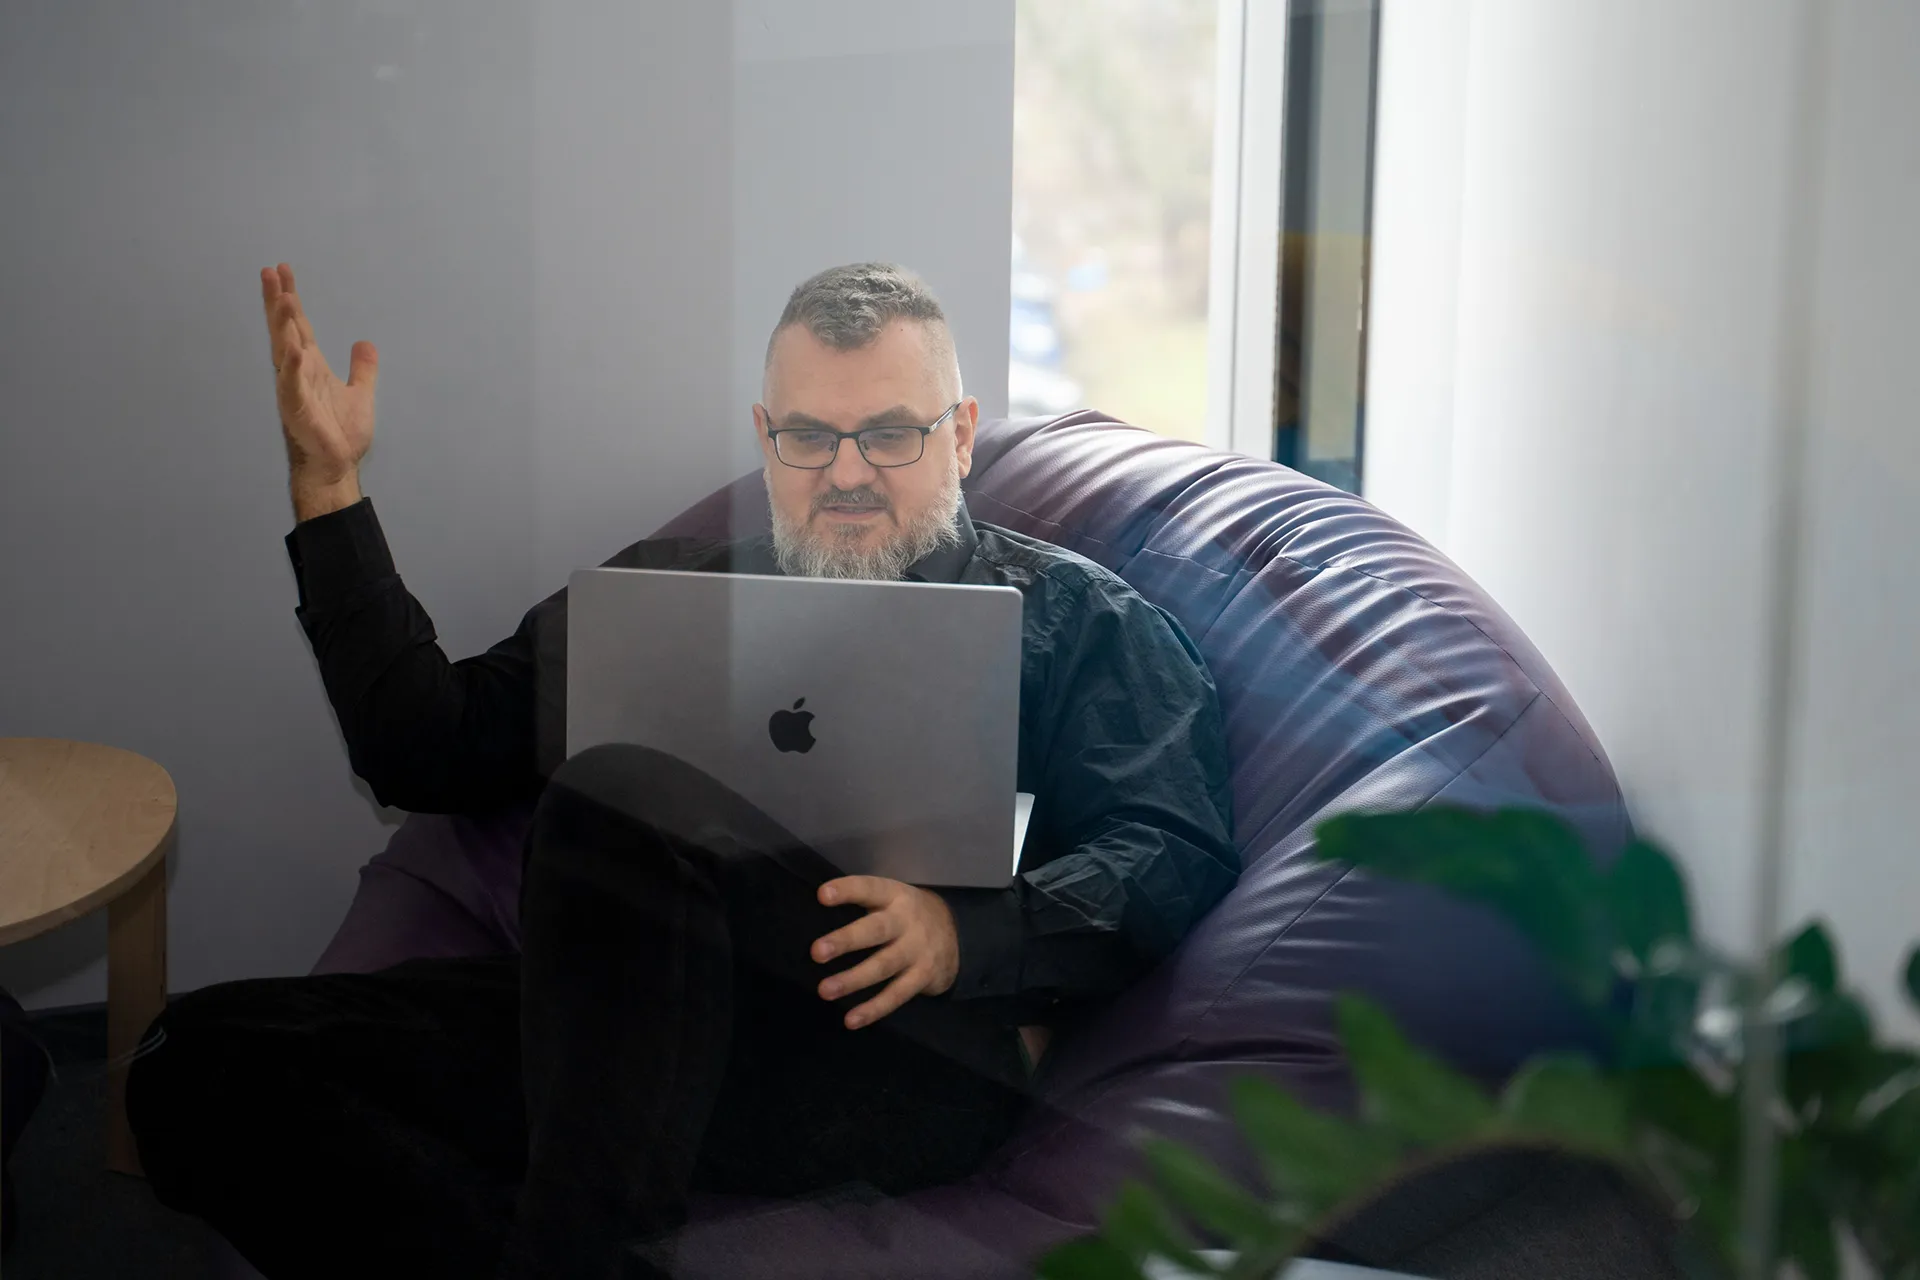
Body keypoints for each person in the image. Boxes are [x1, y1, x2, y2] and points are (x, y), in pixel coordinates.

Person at [128, 262, 1239, 1279]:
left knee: (620, 787)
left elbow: (1170, 843)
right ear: (766, 439)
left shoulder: (1073, 617)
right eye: (810, 437)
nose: (846, 473)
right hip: (627, 1027)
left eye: (890, 434)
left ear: (959, 435)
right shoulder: (676, 597)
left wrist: (968, 932)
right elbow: (427, 744)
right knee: (195, 1063)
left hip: (894, 1047)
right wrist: (329, 491)